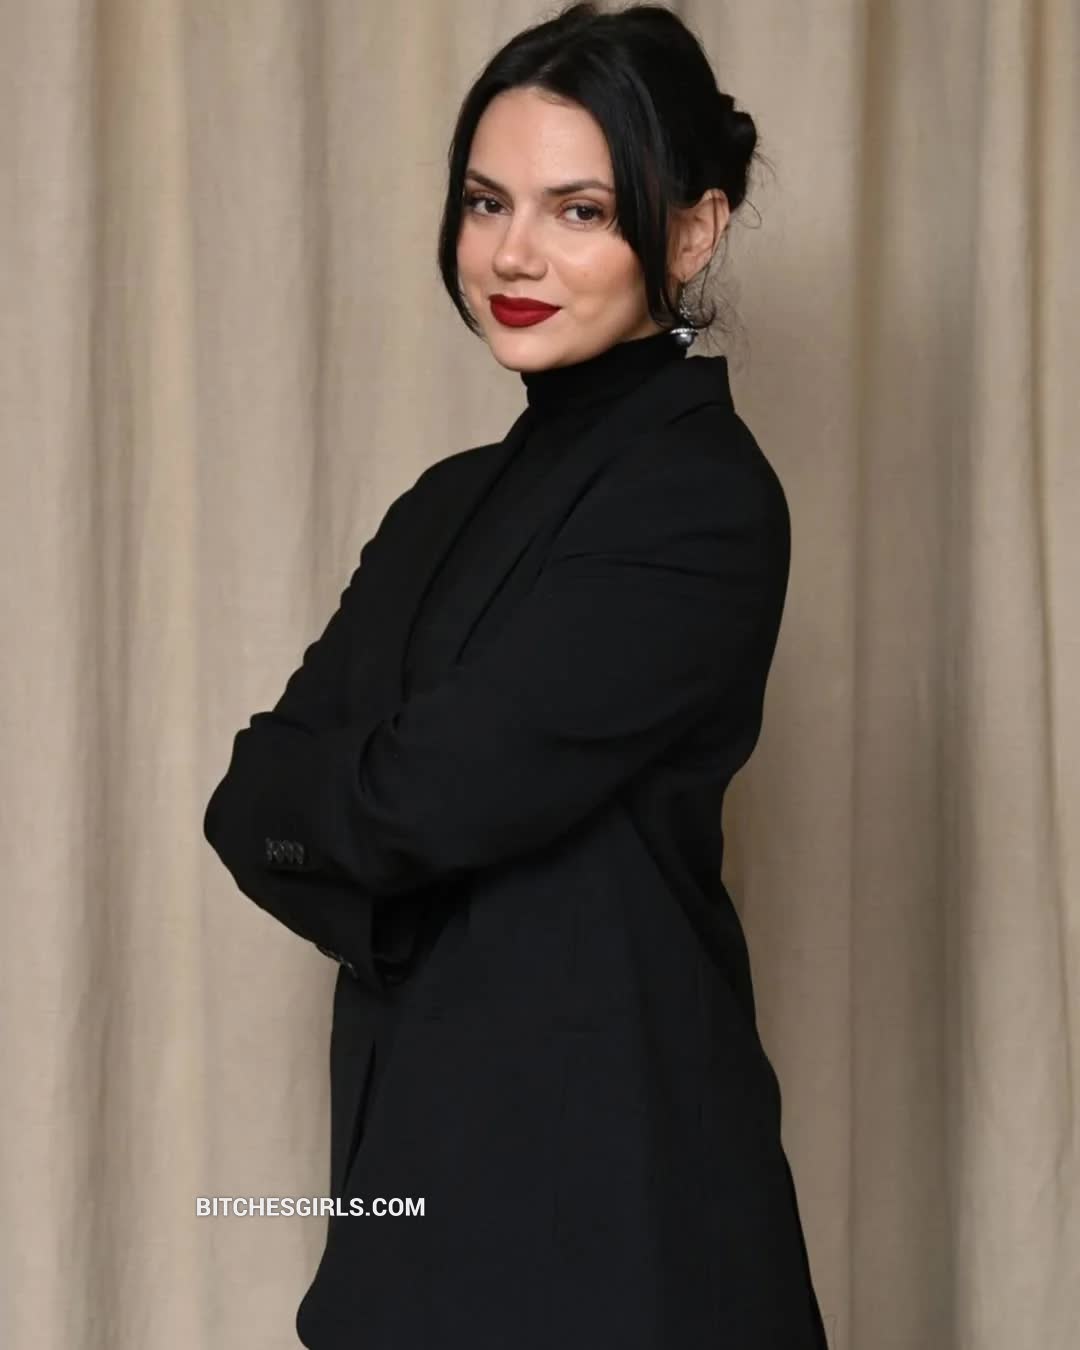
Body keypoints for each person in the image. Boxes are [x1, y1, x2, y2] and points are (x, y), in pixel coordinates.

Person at [203, 3, 829, 1346]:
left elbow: (422, 797)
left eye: (578, 210)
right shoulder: (442, 503)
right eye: (488, 202)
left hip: (623, 1221)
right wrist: (395, 862)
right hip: (412, 1204)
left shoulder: (699, 499)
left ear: (692, 232)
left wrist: (379, 859)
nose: (512, 253)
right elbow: (245, 797)